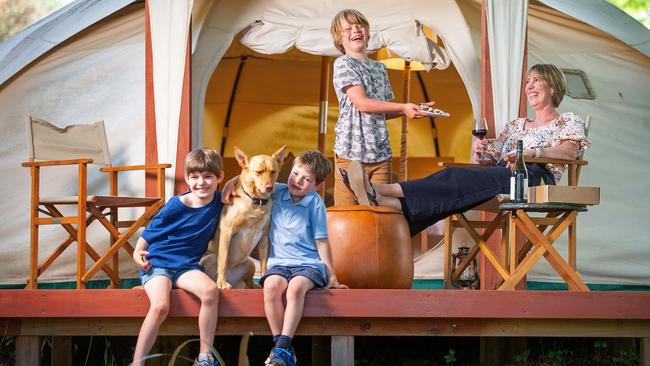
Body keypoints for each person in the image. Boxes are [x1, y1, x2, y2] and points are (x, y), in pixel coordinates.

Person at [340, 64, 591, 236]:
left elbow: (570, 152)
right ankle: (386, 202)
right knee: (456, 184)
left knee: (457, 178)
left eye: (537, 80)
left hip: (534, 180)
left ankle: (381, 190)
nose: (530, 86)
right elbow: (485, 161)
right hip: (503, 176)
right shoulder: (516, 125)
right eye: (528, 81)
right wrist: (480, 151)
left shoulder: (567, 121)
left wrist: (531, 153)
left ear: (554, 88)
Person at [222, 150, 348, 366]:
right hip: (278, 263)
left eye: (306, 179)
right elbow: (250, 175)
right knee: (270, 288)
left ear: (317, 186)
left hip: (308, 265)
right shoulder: (276, 191)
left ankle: (281, 347)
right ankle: (282, 349)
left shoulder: (315, 203)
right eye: (296, 173)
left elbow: (322, 242)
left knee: (296, 289)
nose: (297, 181)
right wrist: (230, 182)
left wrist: (332, 276)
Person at [330, 9, 434, 206]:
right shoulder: (342, 64)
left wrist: (414, 109)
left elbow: (382, 111)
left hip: (380, 155)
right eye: (349, 27)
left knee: (380, 216)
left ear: (367, 32)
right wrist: (403, 107)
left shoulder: (379, 68)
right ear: (339, 37)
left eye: (360, 25)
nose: (356, 30)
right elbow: (362, 103)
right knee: (346, 216)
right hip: (350, 154)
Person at [132, 148, 224, 366]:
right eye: (194, 177)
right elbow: (151, 230)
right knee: (160, 306)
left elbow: (246, 179)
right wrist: (137, 251)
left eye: (208, 176)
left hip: (187, 266)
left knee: (211, 291)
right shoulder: (178, 204)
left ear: (220, 177)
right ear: (187, 178)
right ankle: (137, 362)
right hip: (159, 262)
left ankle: (204, 357)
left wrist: (230, 184)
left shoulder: (221, 200)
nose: (201, 182)